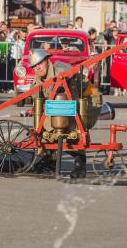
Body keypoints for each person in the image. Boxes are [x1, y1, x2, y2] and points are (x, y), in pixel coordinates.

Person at [29, 49, 102, 178]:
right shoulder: (37, 79)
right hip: (69, 104)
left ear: (47, 61)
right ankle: (50, 161)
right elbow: (36, 98)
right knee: (47, 123)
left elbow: (70, 95)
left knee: (71, 127)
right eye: (34, 66)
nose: (37, 68)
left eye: (40, 63)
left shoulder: (60, 70)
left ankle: (80, 164)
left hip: (88, 99)